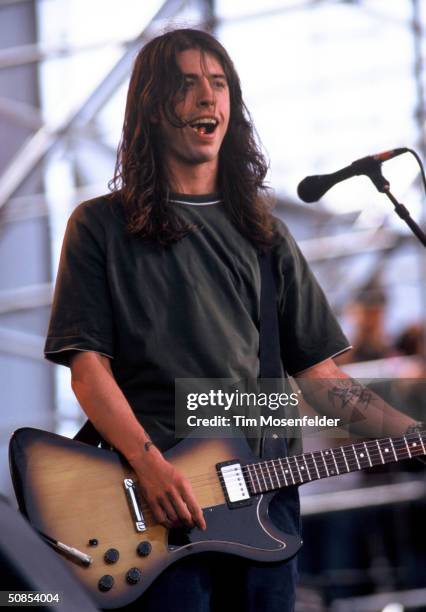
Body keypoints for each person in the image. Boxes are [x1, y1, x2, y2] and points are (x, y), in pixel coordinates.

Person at [44, 28, 420, 612]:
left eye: (218, 85)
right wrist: (150, 466)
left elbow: (322, 379)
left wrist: (410, 434)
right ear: (151, 103)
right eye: (187, 84)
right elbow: (88, 371)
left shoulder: (266, 235)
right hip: (156, 510)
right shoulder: (99, 226)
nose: (207, 98)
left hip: (266, 507)